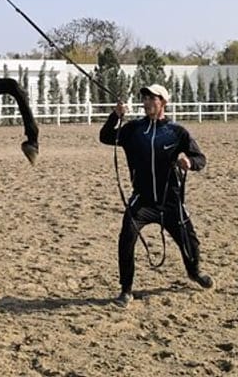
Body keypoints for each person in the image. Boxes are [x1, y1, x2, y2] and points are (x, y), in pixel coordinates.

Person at [99, 83, 213, 308]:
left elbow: (200, 159)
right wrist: (115, 116)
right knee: (126, 239)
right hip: (142, 200)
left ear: (163, 103)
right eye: (145, 98)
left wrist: (189, 162)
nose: (147, 102)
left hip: (170, 201)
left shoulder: (177, 132)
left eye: (153, 98)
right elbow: (105, 137)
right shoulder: (133, 130)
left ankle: (194, 272)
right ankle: (126, 290)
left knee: (189, 241)